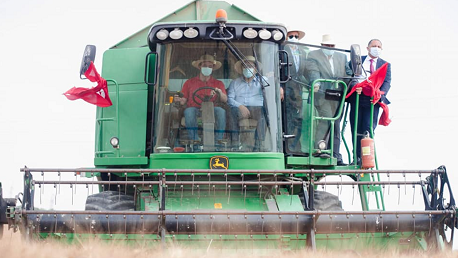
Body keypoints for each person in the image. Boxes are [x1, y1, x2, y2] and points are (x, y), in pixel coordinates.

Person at [307, 34, 351, 165]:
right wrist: (316, 83)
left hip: (338, 95)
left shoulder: (342, 57)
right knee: (326, 118)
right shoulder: (313, 55)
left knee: (336, 123)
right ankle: (319, 148)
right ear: (322, 45)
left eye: (332, 46)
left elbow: (348, 73)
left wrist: (352, 83)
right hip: (322, 94)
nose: (330, 48)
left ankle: (335, 153)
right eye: (327, 46)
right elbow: (312, 71)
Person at [348, 39, 391, 164]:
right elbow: (350, 76)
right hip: (357, 97)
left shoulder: (385, 65)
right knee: (355, 127)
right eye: (374, 46)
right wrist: (355, 87)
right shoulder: (357, 60)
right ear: (367, 48)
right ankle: (356, 158)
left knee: (368, 128)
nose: (376, 48)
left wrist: (379, 94)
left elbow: (387, 83)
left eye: (379, 46)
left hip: (373, 100)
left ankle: (366, 157)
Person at [175, 54, 227, 142]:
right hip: (195, 109)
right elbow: (183, 100)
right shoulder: (189, 82)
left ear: (213, 68)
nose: (207, 68)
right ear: (199, 67)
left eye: (210, 66)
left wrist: (219, 92)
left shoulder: (218, 83)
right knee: (189, 111)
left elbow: (225, 99)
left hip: (212, 109)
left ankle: (219, 141)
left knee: (221, 112)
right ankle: (195, 141)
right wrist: (179, 100)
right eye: (205, 66)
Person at [227, 56, 265, 150]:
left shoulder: (262, 81)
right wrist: (240, 106)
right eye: (245, 66)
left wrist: (279, 87)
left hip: (257, 109)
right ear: (242, 69)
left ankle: (258, 144)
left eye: (250, 66)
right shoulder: (235, 83)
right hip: (239, 109)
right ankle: (234, 143)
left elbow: (272, 89)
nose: (247, 68)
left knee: (264, 114)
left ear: (255, 69)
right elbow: (230, 99)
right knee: (232, 112)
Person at [283, 28, 309, 152]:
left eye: (296, 36)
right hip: (285, 87)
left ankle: (293, 146)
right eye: (291, 36)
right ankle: (287, 148)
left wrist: (313, 84)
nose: (294, 38)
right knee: (287, 117)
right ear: (287, 37)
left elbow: (305, 72)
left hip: (297, 90)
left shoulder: (303, 52)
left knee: (298, 119)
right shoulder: (281, 50)